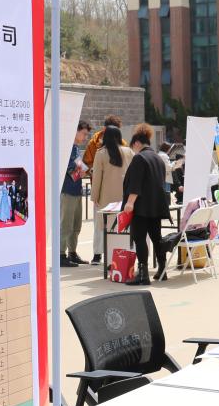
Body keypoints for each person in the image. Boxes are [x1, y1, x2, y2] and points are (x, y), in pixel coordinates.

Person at [121, 123, 169, 286]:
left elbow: (135, 183)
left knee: (140, 238)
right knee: (157, 237)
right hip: (156, 205)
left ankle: (143, 275)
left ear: (136, 143)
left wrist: (129, 203)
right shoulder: (158, 158)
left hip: (141, 206)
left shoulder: (139, 158)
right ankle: (162, 269)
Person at [90, 125, 134, 265]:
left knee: (106, 229)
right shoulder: (129, 151)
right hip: (125, 196)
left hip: (106, 198)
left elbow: (97, 178)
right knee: (123, 228)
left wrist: (94, 197)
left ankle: (107, 259)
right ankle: (122, 259)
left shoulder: (101, 153)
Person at [60, 120, 91, 268]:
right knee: (66, 224)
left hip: (76, 190)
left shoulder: (76, 148)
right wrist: (83, 171)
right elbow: (74, 171)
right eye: (84, 133)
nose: (85, 137)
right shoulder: (67, 148)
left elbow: (80, 169)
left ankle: (72, 252)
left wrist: (83, 170)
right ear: (75, 131)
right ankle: (61, 255)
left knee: (76, 224)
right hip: (68, 191)